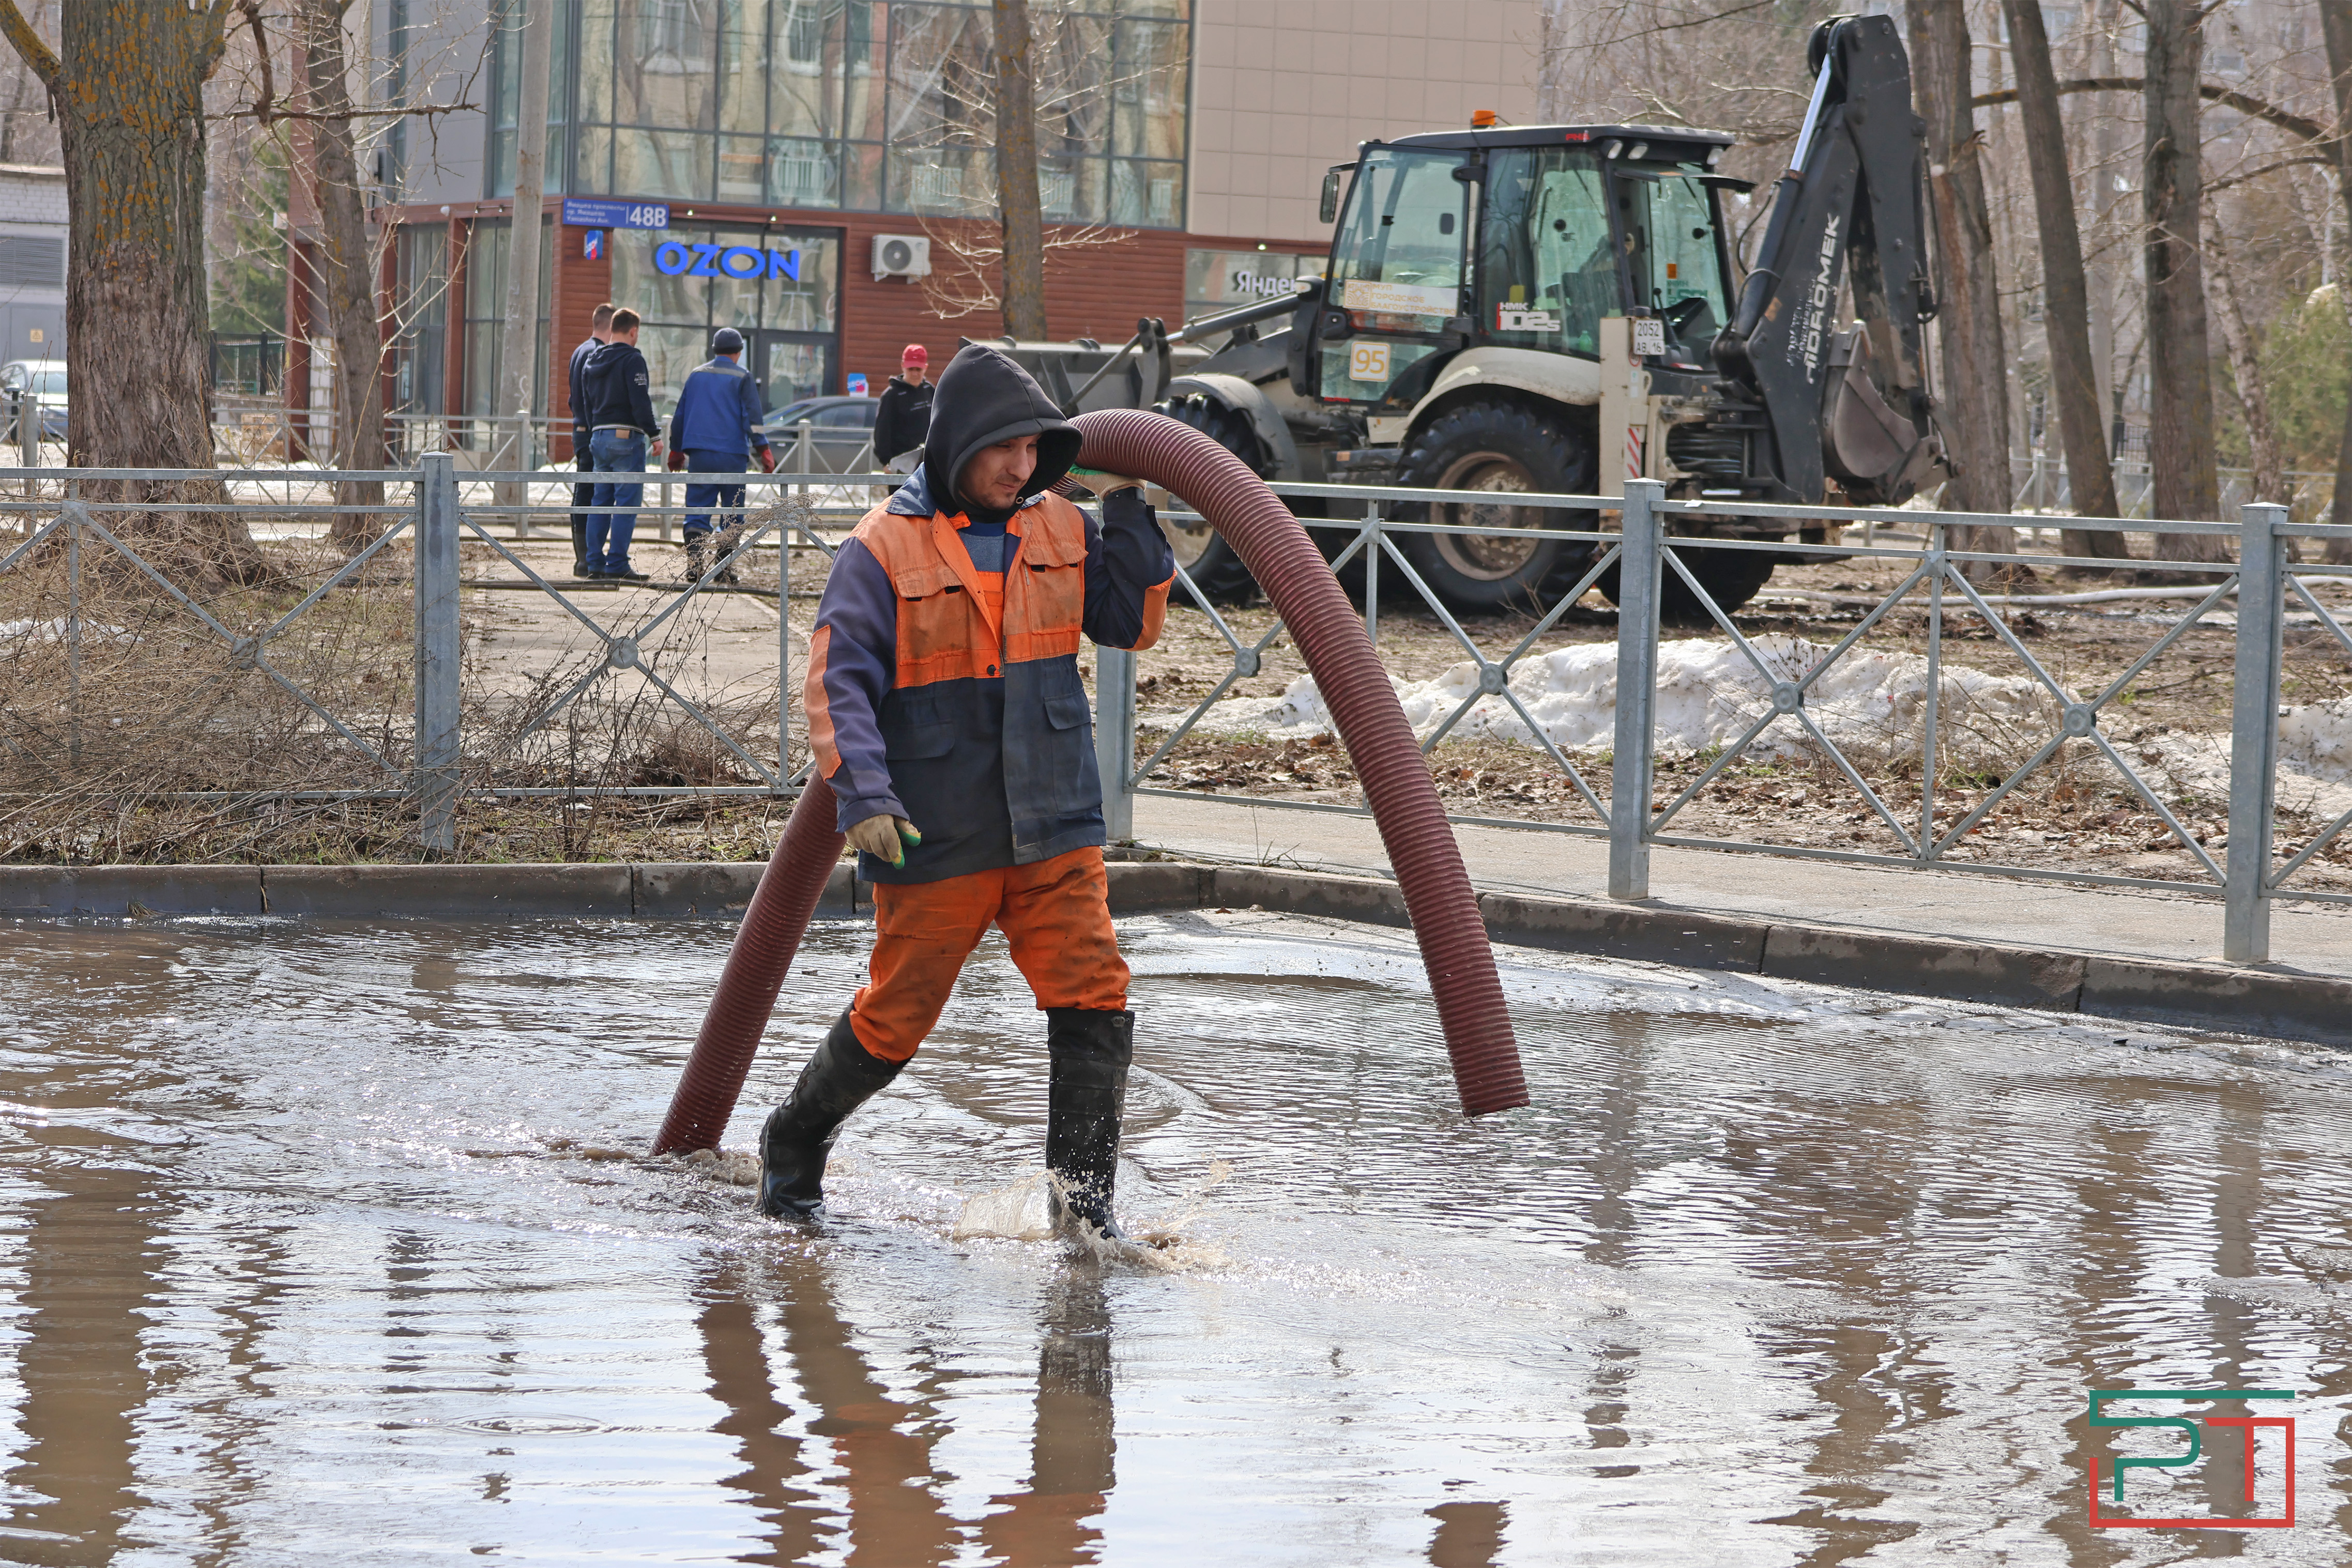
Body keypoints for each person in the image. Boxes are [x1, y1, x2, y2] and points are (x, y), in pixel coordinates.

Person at [761, 345, 1175, 1238]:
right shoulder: (883, 545)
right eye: (1004, 450)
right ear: (958, 443)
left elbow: (1128, 624)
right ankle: (791, 1145)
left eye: (1034, 451)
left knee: (1095, 993)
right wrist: (864, 794)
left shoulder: (1063, 524)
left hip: (1054, 823)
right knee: (897, 1016)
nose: (1021, 468)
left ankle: (1085, 1215)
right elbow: (839, 683)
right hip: (934, 833)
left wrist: (1129, 499)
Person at [665, 327, 775, 583]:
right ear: (739, 352)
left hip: (700, 455)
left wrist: (676, 450)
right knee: (732, 512)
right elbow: (753, 418)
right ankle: (723, 570)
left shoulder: (696, 376)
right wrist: (764, 450)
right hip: (732, 456)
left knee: (697, 509)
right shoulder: (742, 377)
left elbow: (680, 416)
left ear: (714, 350)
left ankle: (694, 567)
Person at [578, 308, 664, 581]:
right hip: (626, 438)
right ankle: (617, 564)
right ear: (633, 331)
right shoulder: (633, 359)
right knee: (626, 503)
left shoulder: (592, 359)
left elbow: (586, 402)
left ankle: (594, 564)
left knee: (600, 501)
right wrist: (655, 435)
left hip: (599, 437)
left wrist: (595, 430)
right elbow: (640, 402)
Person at [564, 302, 615, 578]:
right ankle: (585, 560)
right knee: (589, 494)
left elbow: (573, 398)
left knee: (583, 492)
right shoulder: (598, 353)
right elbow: (593, 397)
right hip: (593, 431)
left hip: (580, 429)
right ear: (611, 326)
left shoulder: (579, 350)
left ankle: (583, 558)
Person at [870, 343, 933, 474]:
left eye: (918, 369)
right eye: (911, 369)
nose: (915, 374)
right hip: (900, 465)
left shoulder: (930, 391)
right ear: (903, 366)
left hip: (927, 463)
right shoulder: (891, 395)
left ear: (925, 368)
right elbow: (882, 431)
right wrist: (886, 462)